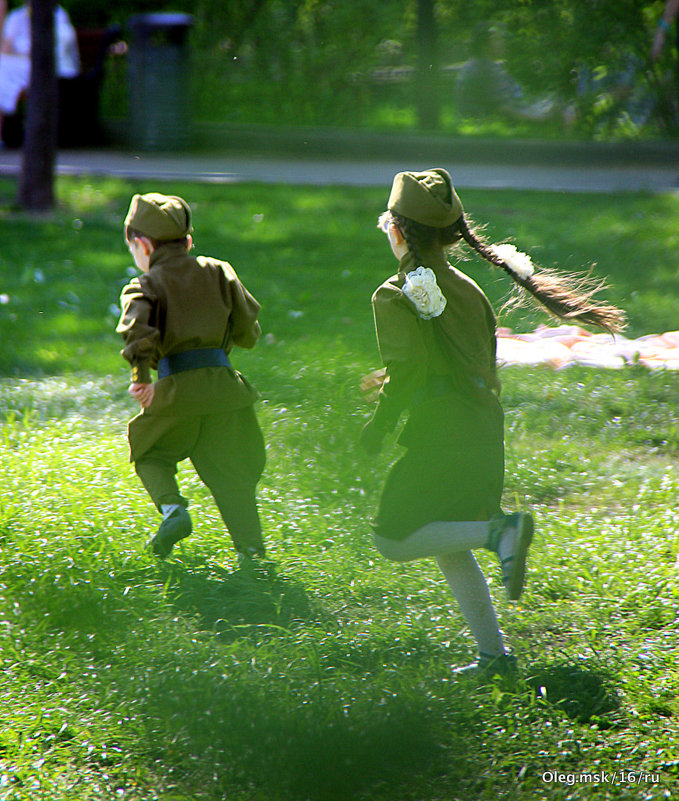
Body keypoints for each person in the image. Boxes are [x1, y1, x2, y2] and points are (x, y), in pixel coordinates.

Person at [361, 168, 625, 679]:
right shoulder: (468, 288)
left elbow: (410, 370)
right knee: (447, 537)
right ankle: (495, 656)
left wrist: (379, 426)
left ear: (395, 230)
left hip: (441, 431)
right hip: (481, 426)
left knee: (392, 537)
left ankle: (500, 532)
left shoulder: (392, 293)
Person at [116, 192, 267, 562]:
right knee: (233, 476)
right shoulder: (219, 271)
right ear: (188, 242)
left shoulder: (145, 285)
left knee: (150, 452)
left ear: (143, 244)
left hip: (175, 394)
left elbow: (137, 331)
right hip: (224, 390)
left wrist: (141, 376)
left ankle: (173, 509)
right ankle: (253, 555)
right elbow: (248, 329)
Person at [0, 1, 79, 135]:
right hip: (22, 67)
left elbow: (58, 49)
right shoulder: (17, 16)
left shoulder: (57, 14)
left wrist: (27, 52)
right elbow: (5, 49)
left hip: (52, 67)